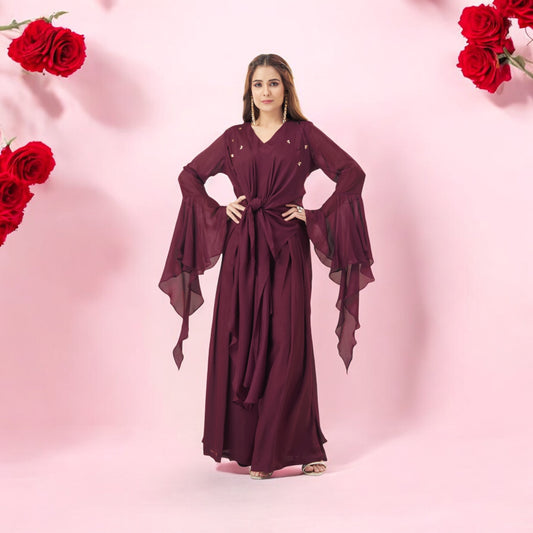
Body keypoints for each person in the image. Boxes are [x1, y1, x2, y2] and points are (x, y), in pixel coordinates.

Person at [159, 53, 375, 480]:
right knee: (240, 341)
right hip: (242, 250)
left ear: (286, 88)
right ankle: (248, 447)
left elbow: (352, 173)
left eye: (273, 83)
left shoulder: (304, 135)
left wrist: (313, 216)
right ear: (249, 91)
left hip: (287, 247)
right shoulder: (234, 138)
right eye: (258, 84)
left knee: (287, 343)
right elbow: (189, 176)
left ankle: (292, 449)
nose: (265, 91)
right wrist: (219, 210)